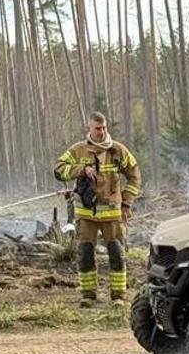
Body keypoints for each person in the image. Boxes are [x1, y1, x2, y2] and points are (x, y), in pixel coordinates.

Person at [54, 113, 142, 307]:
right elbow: (59, 169)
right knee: (85, 253)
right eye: (97, 128)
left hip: (112, 214)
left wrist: (126, 202)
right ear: (89, 129)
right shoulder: (78, 150)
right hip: (86, 214)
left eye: (104, 128)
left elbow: (135, 175)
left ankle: (118, 296)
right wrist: (81, 169)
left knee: (117, 253)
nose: (101, 132)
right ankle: (88, 296)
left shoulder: (117, 150)